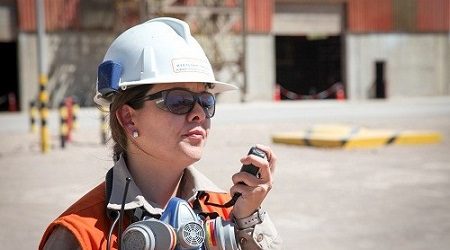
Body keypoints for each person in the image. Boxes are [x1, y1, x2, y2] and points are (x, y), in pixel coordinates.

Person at [39, 17, 282, 250]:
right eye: (179, 100)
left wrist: (248, 223)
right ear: (128, 118)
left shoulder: (227, 212)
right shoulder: (82, 235)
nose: (199, 114)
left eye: (206, 101)